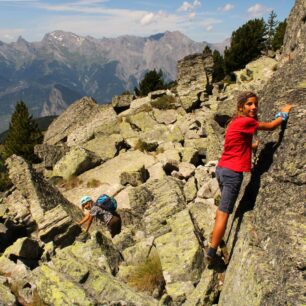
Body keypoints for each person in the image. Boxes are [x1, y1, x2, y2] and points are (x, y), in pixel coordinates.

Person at [206, 91, 293, 263]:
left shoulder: (235, 122)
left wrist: (252, 146)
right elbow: (271, 126)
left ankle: (216, 238)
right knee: (224, 212)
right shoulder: (247, 121)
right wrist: (284, 112)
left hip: (222, 169)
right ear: (241, 107)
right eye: (249, 104)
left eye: (255, 104)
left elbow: (237, 142)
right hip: (232, 173)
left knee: (222, 208)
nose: (254, 107)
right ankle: (211, 253)